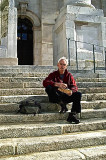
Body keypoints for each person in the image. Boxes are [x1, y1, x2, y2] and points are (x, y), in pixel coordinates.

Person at [43, 57, 82, 124]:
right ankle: (62, 104)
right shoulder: (53, 74)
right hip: (56, 96)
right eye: (61, 64)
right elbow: (45, 82)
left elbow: (74, 86)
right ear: (58, 65)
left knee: (78, 94)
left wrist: (71, 91)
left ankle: (72, 115)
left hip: (65, 96)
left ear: (66, 66)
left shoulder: (69, 75)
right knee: (48, 87)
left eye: (64, 64)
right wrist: (56, 84)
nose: (62, 66)